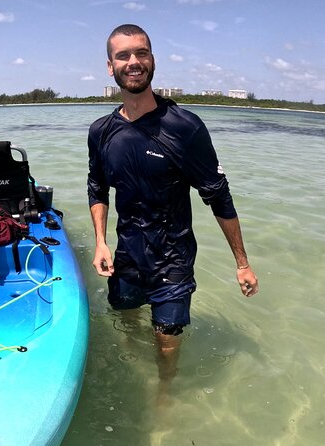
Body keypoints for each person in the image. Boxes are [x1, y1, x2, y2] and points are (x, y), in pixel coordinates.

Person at [87, 24, 259, 394]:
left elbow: (219, 197)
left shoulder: (185, 128)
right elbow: (96, 186)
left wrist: (242, 264)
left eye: (141, 53)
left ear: (152, 60)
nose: (133, 62)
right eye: (123, 55)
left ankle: (165, 396)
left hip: (173, 260)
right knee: (125, 320)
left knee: (167, 344)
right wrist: (100, 241)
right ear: (110, 66)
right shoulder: (101, 131)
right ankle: (134, 381)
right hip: (125, 256)